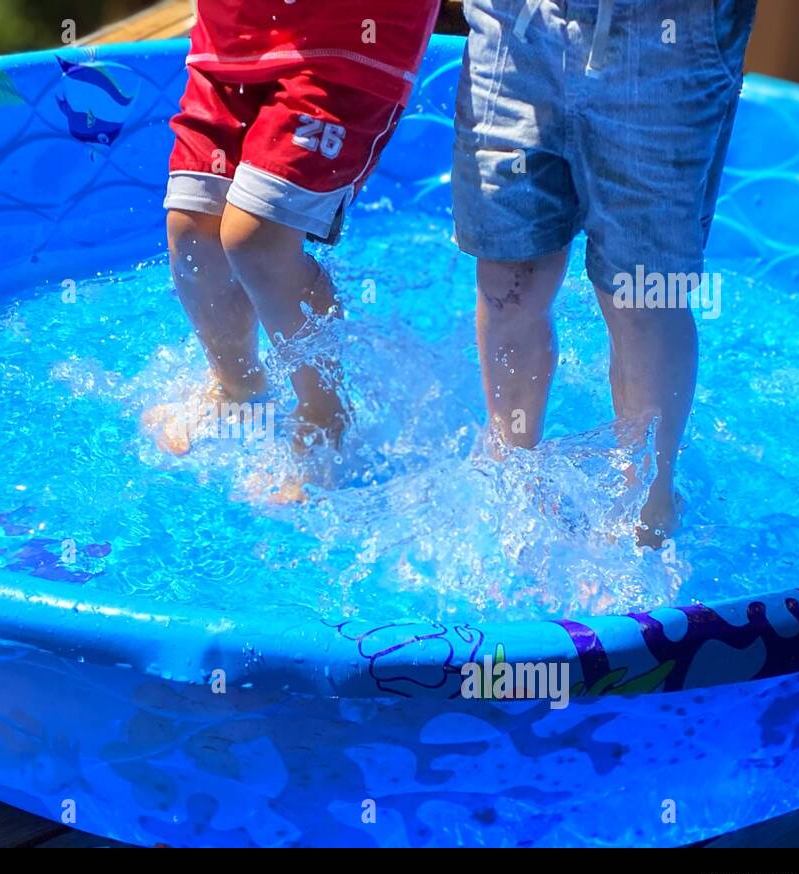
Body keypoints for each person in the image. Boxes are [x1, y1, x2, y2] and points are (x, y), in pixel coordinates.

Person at [453, 0, 757, 544]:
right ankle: (507, 476)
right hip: (515, 27)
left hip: (665, 38)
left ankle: (646, 508)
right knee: (507, 276)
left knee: (642, 296)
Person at [146, 0, 443, 466]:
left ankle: (325, 415)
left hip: (345, 48)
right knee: (192, 232)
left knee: (256, 237)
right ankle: (236, 388)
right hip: (233, 36)